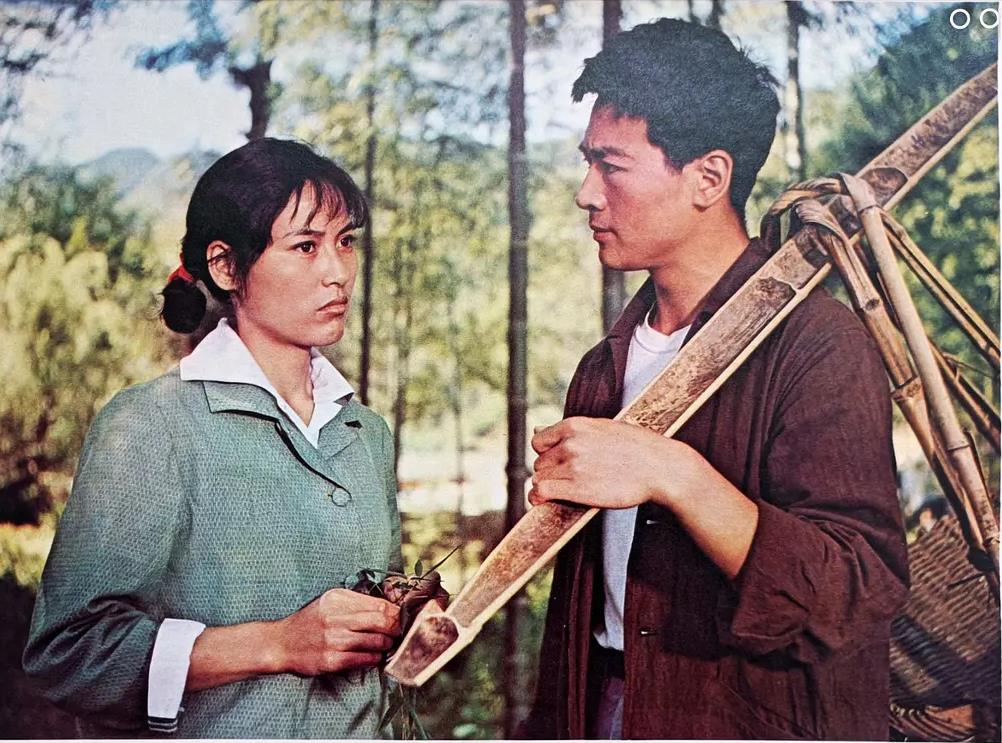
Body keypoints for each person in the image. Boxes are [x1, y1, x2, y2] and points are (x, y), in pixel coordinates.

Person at [522, 19, 909, 740]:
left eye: (611, 166)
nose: (586, 193)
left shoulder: (816, 346)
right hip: (608, 709)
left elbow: (853, 593)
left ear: (709, 177)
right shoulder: (603, 367)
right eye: (587, 163)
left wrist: (674, 474)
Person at [23, 138, 404, 738]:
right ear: (226, 266)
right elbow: (70, 653)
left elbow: (378, 612)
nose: (337, 271)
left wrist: (411, 615)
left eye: (346, 241)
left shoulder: (366, 433)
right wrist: (278, 643)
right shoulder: (151, 424)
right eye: (305, 246)